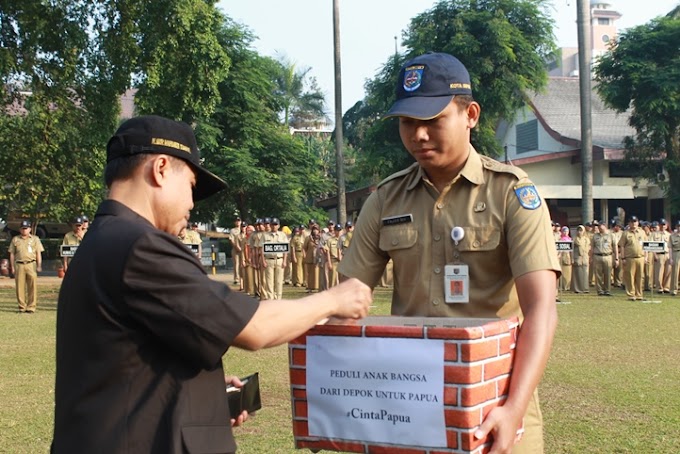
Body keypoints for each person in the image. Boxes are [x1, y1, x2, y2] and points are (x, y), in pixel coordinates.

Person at [51, 115, 372, 454]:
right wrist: (334, 299)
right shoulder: (140, 245)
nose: (191, 205)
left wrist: (200, 395)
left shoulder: (103, 239)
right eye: (190, 187)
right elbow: (255, 327)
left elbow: (125, 365)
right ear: (160, 169)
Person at [337, 52, 560, 454]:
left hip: (497, 399)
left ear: (470, 114)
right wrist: (335, 402)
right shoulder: (386, 199)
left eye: (432, 121)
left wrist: (514, 408)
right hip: (410, 401)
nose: (418, 136)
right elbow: (344, 300)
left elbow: (541, 308)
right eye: (408, 123)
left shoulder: (510, 192)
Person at [8, 220, 44, 313]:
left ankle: (31, 307)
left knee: (32, 286)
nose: (24, 230)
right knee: (19, 287)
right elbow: (12, 254)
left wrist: (39, 265)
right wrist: (11, 266)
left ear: (30, 229)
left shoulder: (35, 239)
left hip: (31, 264)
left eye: (26, 228)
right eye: (22, 228)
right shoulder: (15, 239)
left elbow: (38, 253)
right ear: (20, 229)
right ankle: (22, 306)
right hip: (19, 264)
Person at [618, 215, 647, 301]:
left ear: (638, 223)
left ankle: (639, 294)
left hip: (640, 257)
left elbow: (646, 245)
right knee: (630, 276)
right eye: (631, 222)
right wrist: (623, 258)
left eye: (635, 221)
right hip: (630, 258)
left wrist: (646, 256)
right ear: (629, 223)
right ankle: (631, 294)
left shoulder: (642, 232)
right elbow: (622, 246)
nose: (633, 223)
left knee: (640, 276)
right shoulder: (626, 233)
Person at [590, 221, 617, 296]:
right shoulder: (595, 236)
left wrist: (616, 258)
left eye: (600, 226)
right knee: (598, 274)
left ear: (605, 226)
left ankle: (607, 290)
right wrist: (591, 257)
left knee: (608, 274)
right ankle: (599, 290)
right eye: (598, 226)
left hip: (608, 256)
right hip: (597, 256)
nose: (598, 227)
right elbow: (592, 247)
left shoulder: (611, 235)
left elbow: (615, 247)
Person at [571, 225, 590, 293]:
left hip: (585, 257)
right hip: (577, 257)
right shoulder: (574, 239)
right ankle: (577, 289)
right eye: (578, 230)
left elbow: (589, 248)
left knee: (585, 273)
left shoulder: (586, 239)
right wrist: (572, 258)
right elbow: (572, 249)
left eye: (581, 230)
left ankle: (585, 288)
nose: (579, 232)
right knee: (577, 273)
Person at [557, 226, 573, 292]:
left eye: (566, 231)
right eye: (564, 231)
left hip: (568, 256)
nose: (565, 232)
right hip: (561, 256)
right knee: (561, 272)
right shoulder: (560, 240)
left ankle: (567, 286)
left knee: (568, 272)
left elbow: (571, 251)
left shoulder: (570, 240)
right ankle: (561, 286)